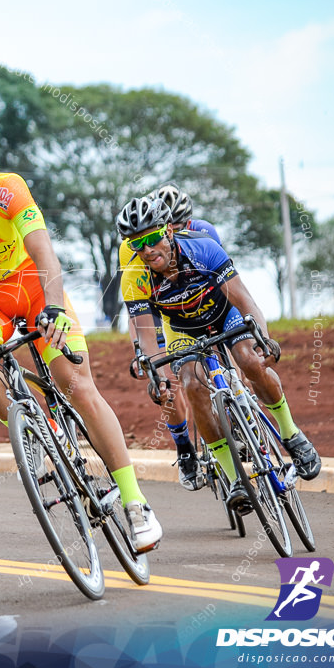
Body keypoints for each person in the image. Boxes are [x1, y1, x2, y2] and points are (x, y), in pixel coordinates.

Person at [0, 126, 163, 553]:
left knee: (79, 387)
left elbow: (44, 253)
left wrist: (56, 308)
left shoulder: (7, 191)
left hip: (36, 291)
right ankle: (32, 430)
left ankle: (136, 504)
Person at [116, 195, 321, 514]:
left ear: (169, 230)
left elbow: (245, 300)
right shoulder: (134, 276)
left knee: (250, 360)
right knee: (191, 385)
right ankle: (234, 476)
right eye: (136, 245)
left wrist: (263, 338)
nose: (147, 251)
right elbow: (146, 334)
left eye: (153, 239)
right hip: (182, 329)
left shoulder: (202, 248)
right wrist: (158, 373)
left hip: (224, 313)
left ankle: (291, 435)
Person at [119, 184, 221, 491]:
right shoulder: (134, 249)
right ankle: (184, 447)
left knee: (227, 344)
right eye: (145, 241)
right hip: (160, 310)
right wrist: (141, 350)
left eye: (178, 227)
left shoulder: (203, 232)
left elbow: (218, 277)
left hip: (198, 296)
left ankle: (237, 401)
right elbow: (136, 302)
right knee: (165, 381)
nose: (157, 245)